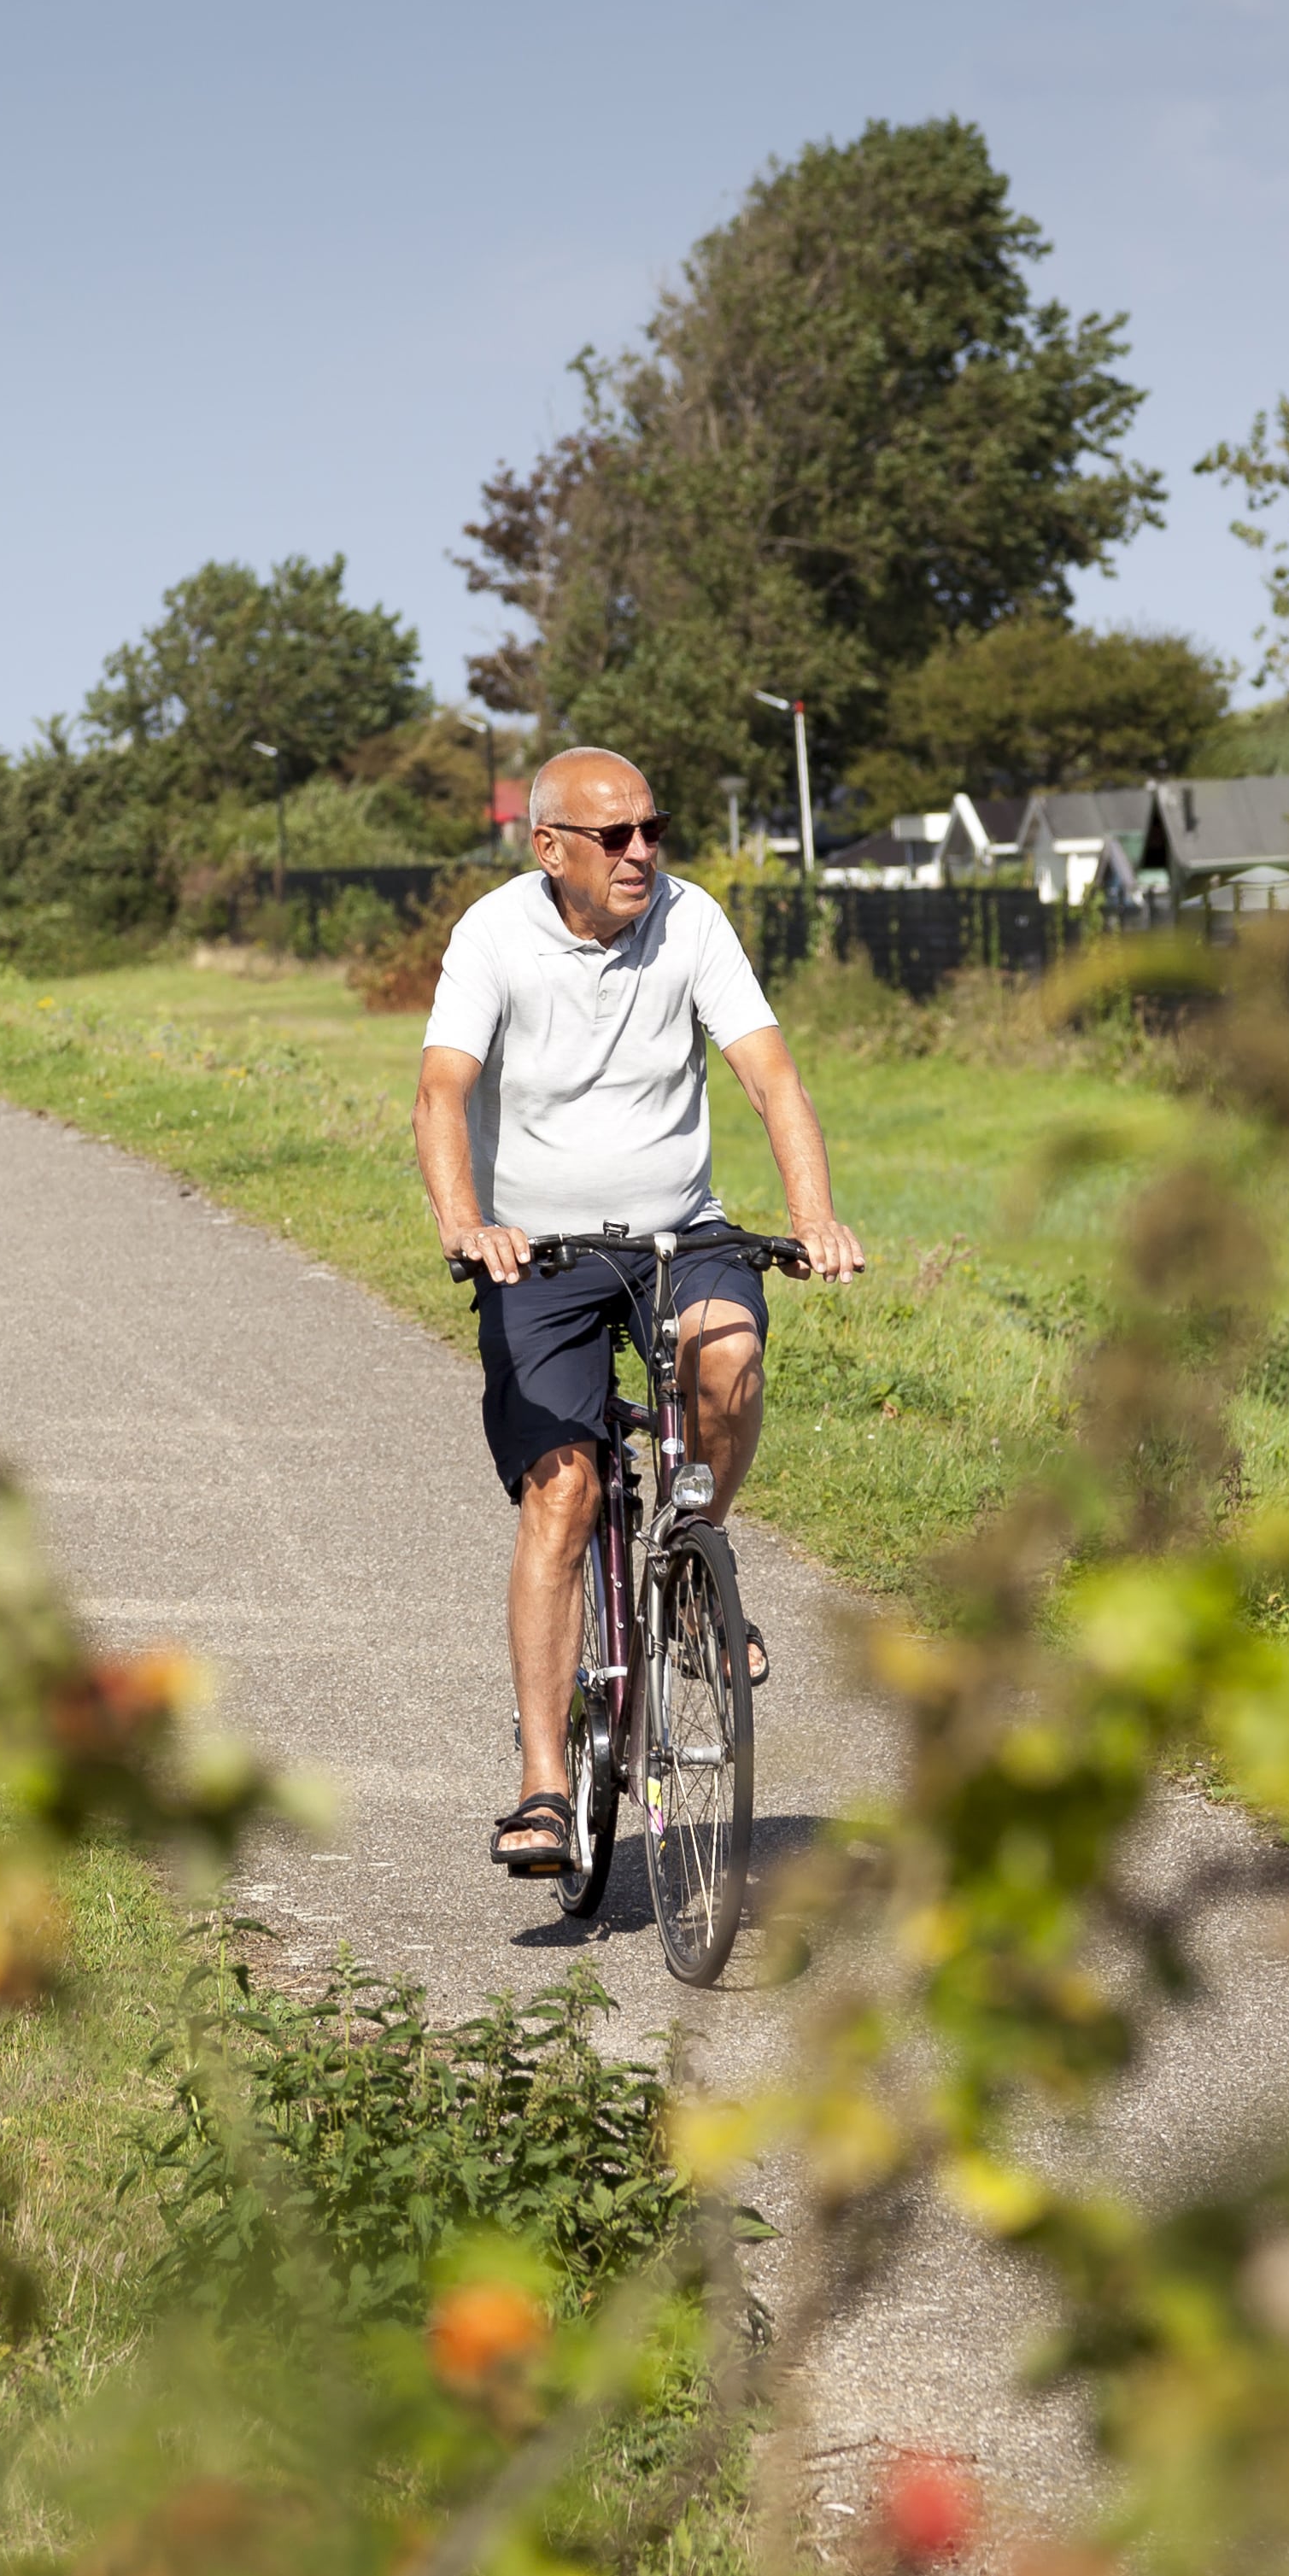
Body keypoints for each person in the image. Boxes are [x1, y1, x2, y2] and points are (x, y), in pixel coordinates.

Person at [414, 745, 863, 1881]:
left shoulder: (691, 920)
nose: (640, 854)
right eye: (614, 838)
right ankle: (545, 1788)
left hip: (680, 1232)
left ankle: (690, 1561)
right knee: (561, 1492)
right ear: (549, 845)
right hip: (540, 1250)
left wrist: (815, 1217)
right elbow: (444, 1090)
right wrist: (469, 1223)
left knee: (728, 1357)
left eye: (652, 830)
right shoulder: (495, 936)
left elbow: (771, 1075)